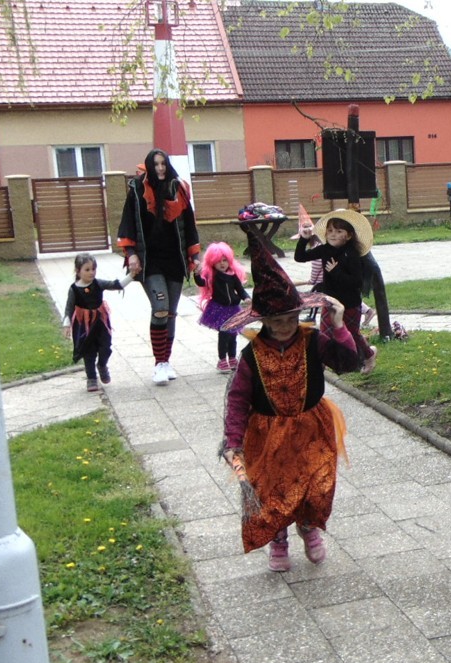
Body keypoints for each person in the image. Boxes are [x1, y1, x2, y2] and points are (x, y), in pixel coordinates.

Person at [221, 225, 361, 572]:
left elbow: (347, 363)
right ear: (263, 322)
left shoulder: (312, 341)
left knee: (316, 483)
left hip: (312, 428)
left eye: (290, 319)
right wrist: (233, 440)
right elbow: (238, 400)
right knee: (274, 489)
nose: (284, 327)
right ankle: (279, 538)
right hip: (267, 434)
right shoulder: (252, 356)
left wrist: (339, 325)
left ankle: (309, 528)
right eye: (276, 321)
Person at [116, 148, 201, 386]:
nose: (160, 168)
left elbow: (190, 225)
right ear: (149, 166)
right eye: (156, 164)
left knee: (171, 313)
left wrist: (195, 256)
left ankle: (166, 361)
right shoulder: (137, 190)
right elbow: (128, 223)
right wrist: (131, 254)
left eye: (163, 164)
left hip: (174, 259)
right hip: (149, 261)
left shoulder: (179, 188)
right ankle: (159, 363)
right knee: (160, 308)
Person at [294, 208, 377, 373]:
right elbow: (300, 257)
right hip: (330, 301)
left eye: (339, 231)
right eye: (330, 230)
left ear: (349, 235)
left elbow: (356, 282)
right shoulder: (325, 249)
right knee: (325, 334)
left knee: (352, 333)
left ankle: (369, 355)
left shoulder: (352, 253)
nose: (333, 234)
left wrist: (336, 271)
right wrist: (304, 239)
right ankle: (322, 364)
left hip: (350, 303)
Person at [62, 252, 132, 393]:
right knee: (88, 352)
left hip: (100, 323)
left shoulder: (98, 283)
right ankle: (91, 378)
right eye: (87, 269)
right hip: (84, 326)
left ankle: (102, 365)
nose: (91, 272)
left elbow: (116, 285)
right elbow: (69, 308)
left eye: (93, 269)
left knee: (105, 347)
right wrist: (66, 325)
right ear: (78, 271)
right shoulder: (74, 289)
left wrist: (132, 275)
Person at [194, 241, 250, 372]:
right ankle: (222, 360)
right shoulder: (212, 275)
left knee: (233, 335)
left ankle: (232, 357)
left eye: (225, 260)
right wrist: (196, 274)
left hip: (233, 309)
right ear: (212, 262)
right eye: (218, 261)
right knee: (224, 334)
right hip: (219, 308)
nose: (222, 264)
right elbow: (201, 282)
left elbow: (240, 290)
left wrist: (246, 297)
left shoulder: (232, 275)